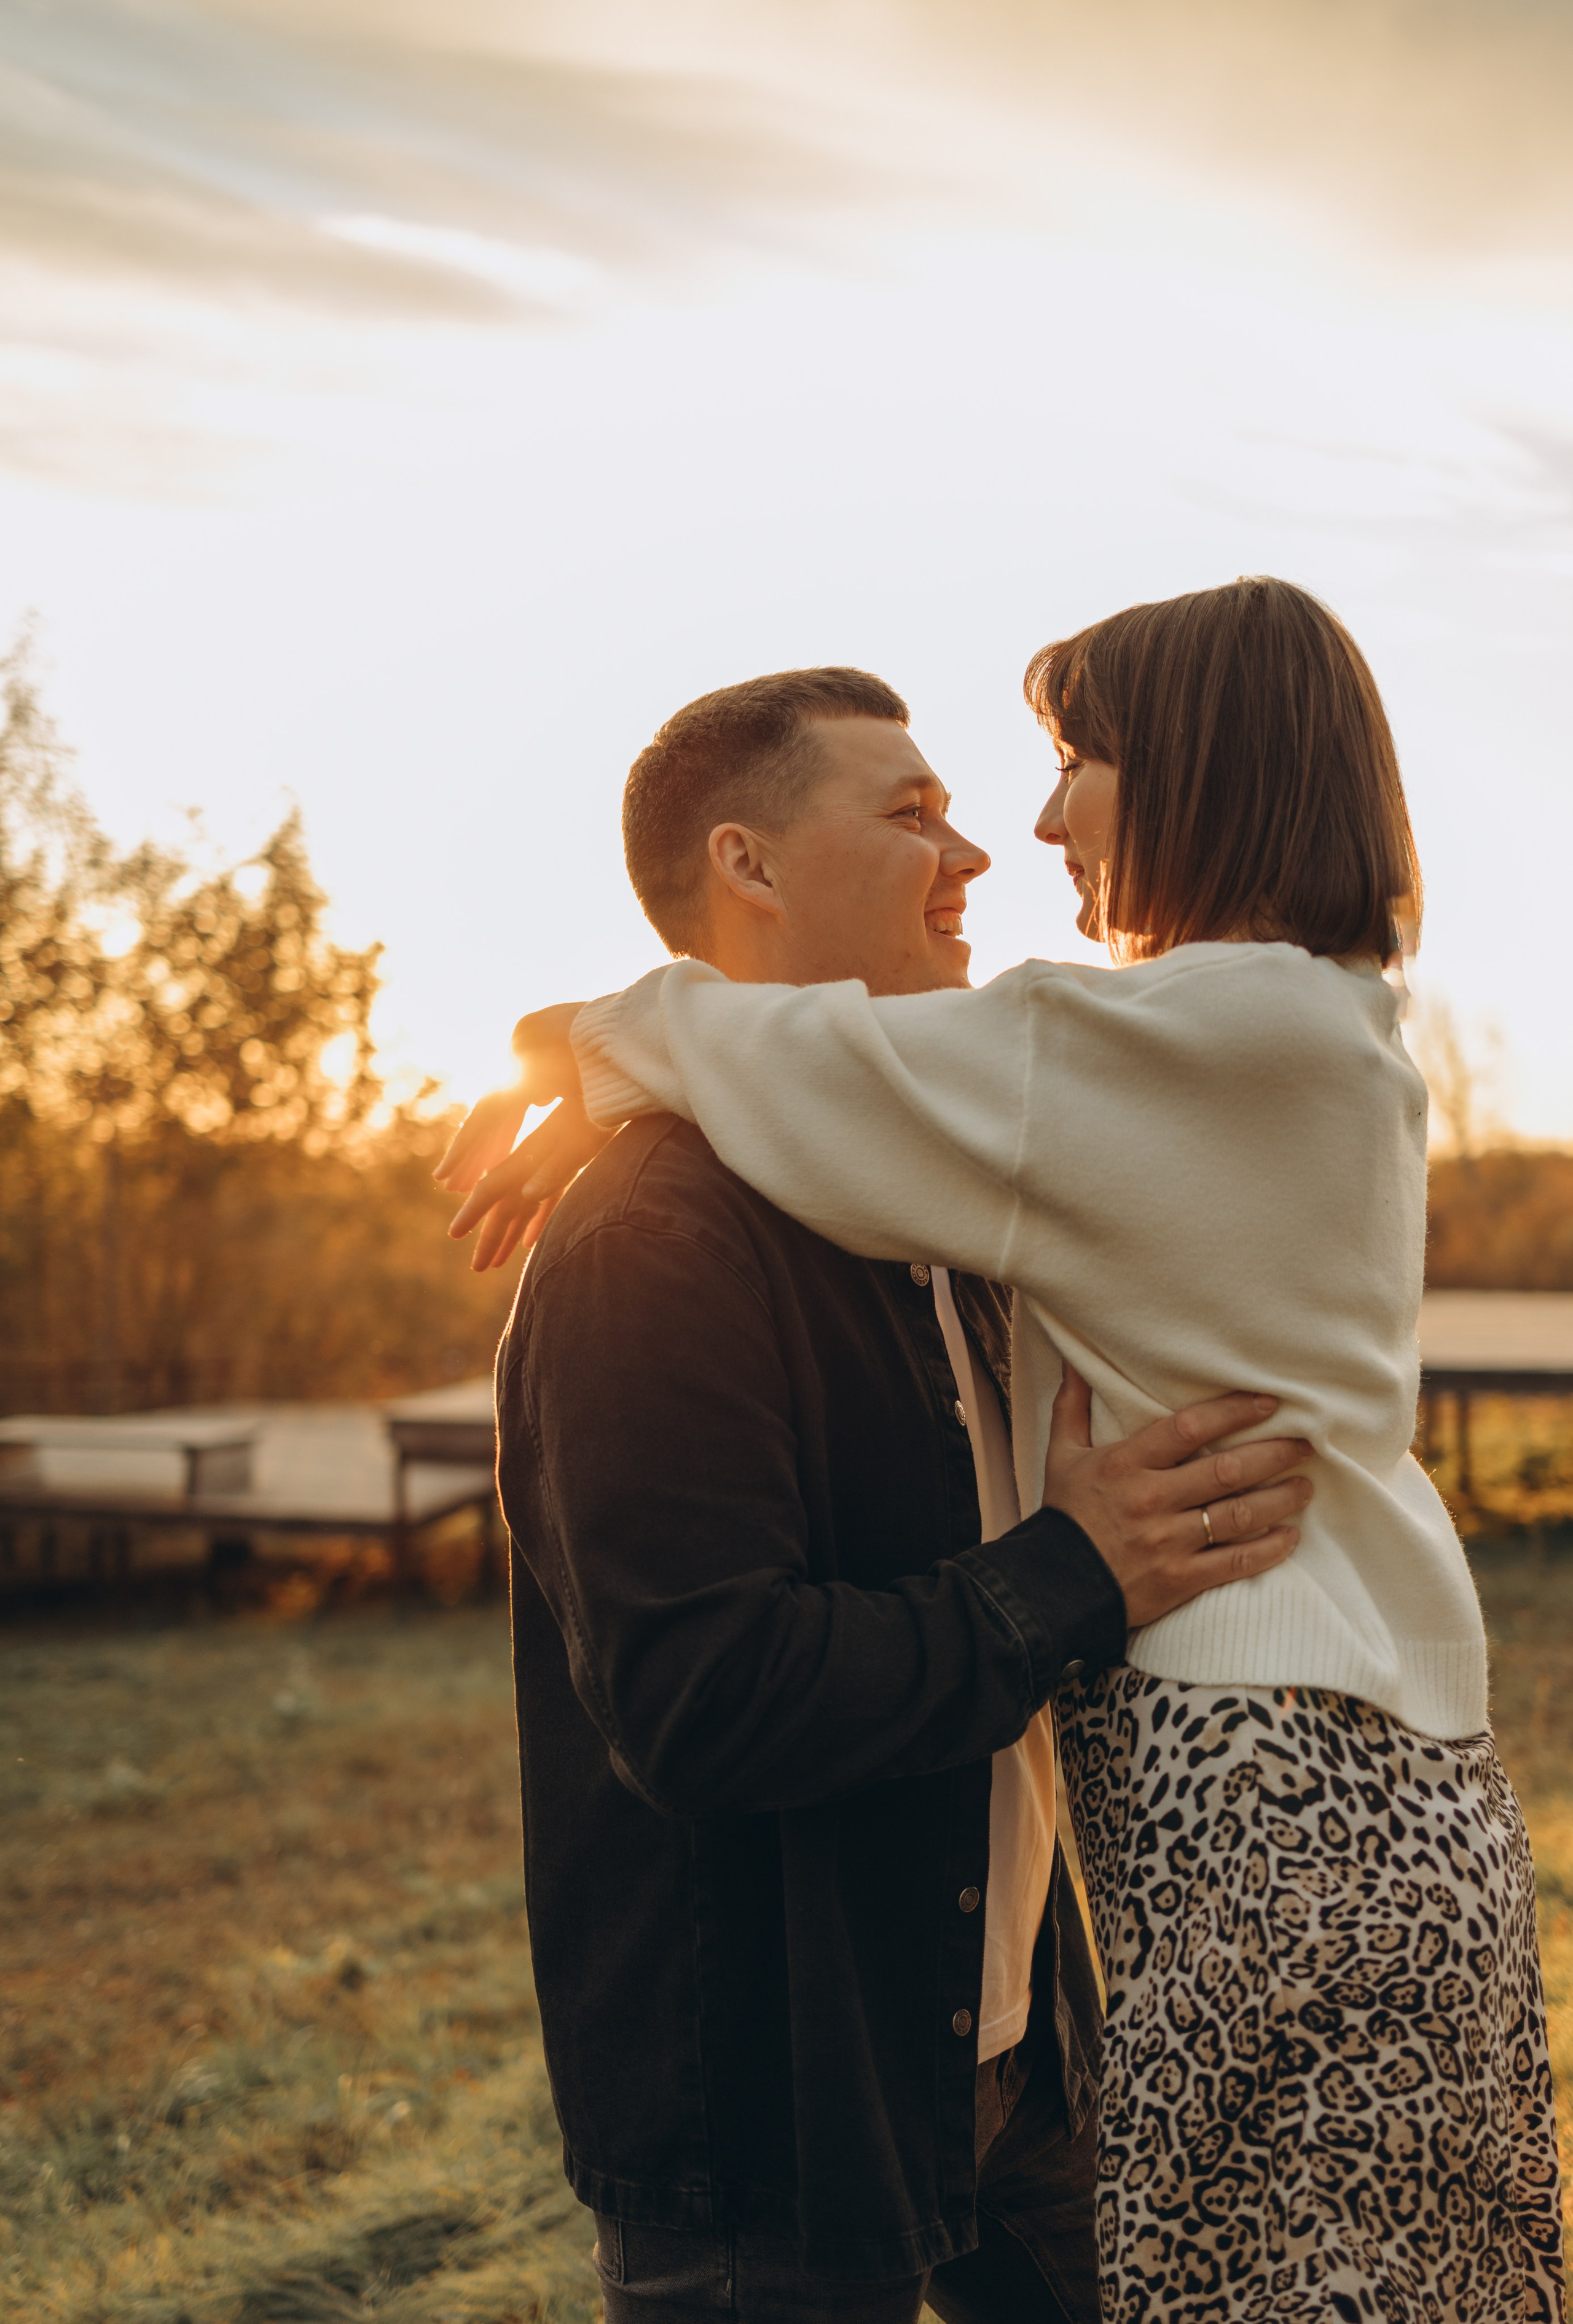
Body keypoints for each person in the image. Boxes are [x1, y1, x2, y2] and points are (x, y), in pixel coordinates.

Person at [455, 585, 1566, 2322]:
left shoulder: (1122, 1069)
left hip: (1199, 1885)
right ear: (748, 867)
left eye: (1066, 766)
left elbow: (793, 1055)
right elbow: (704, 1693)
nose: (1005, 838)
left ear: (1203, 773)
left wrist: (580, 1044)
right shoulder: (680, 1238)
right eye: (916, 815)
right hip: (829, 2078)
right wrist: (1071, 1575)